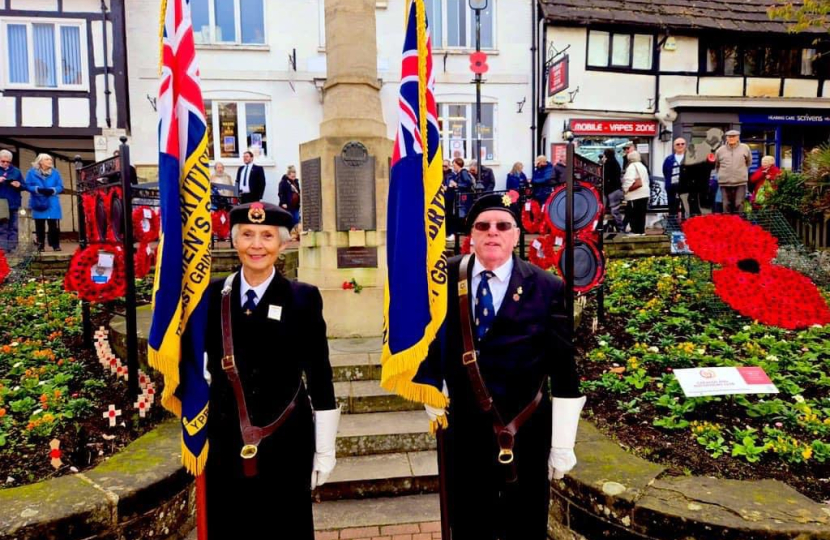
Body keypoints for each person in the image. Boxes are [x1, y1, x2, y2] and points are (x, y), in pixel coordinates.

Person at [416, 193, 585, 540]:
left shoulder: (547, 287)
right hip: (463, 429)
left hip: (523, 428)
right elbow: (425, 338)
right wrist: (429, 384)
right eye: (483, 226)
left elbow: (563, 368)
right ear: (471, 236)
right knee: (467, 522)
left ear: (516, 234)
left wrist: (563, 443)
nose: (493, 233)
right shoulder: (442, 279)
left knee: (524, 524)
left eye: (502, 226)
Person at [204, 202, 339, 540]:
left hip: (286, 438)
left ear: (282, 244)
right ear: (234, 241)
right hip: (225, 436)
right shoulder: (212, 295)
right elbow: (197, 363)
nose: (256, 245)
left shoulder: (302, 297)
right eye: (247, 235)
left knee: (285, 526)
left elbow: (319, 374)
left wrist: (324, 449)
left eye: (267, 236)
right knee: (229, 524)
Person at [26, 154, 64, 251]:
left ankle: (55, 245)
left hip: (52, 201)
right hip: (39, 201)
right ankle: (40, 246)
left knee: (53, 225)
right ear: (41, 162)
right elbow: (27, 186)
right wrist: (37, 189)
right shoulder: (31, 172)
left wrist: (53, 190)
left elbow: (60, 186)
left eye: (50, 159)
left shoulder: (56, 173)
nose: (50, 161)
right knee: (39, 224)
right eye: (47, 159)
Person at [662, 137, 700, 220]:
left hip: (687, 188)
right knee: (672, 208)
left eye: (682, 144)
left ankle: (686, 226)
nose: (680, 146)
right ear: (674, 146)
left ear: (685, 145)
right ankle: (673, 228)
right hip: (672, 187)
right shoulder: (668, 159)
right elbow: (665, 172)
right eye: (678, 144)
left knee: (686, 208)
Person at [715, 130, 751, 214]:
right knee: (726, 204)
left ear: (738, 137)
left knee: (739, 204)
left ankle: (739, 224)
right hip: (725, 182)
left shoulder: (745, 148)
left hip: (740, 181)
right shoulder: (720, 150)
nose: (731, 138)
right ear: (726, 138)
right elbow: (717, 165)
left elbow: (748, 162)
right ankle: (728, 225)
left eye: (734, 136)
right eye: (729, 137)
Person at [0, 150, 25, 251]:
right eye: (3, 161)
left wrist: (19, 185)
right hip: (1, 204)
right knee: (2, 228)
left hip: (14, 202)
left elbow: (24, 186)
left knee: (14, 228)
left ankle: (12, 249)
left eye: (8, 162)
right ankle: (2, 251)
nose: (6, 163)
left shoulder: (16, 171)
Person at [622, 151, 650, 235]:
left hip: (635, 194)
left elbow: (629, 180)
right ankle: (641, 231)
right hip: (645, 193)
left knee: (634, 213)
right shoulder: (643, 166)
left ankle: (635, 231)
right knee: (641, 214)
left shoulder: (632, 166)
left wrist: (625, 189)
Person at [602, 149, 624, 232]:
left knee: (612, 210)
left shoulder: (608, 164)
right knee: (615, 210)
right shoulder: (616, 163)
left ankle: (619, 228)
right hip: (616, 189)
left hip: (611, 190)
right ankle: (619, 228)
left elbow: (606, 177)